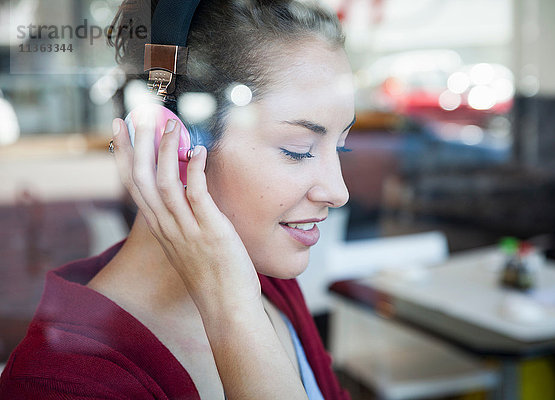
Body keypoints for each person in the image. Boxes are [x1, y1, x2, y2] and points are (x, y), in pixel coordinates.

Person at [0, 0, 354, 398]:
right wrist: (231, 313)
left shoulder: (267, 284)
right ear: (170, 144)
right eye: (299, 149)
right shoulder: (61, 384)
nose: (338, 192)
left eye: (341, 147)